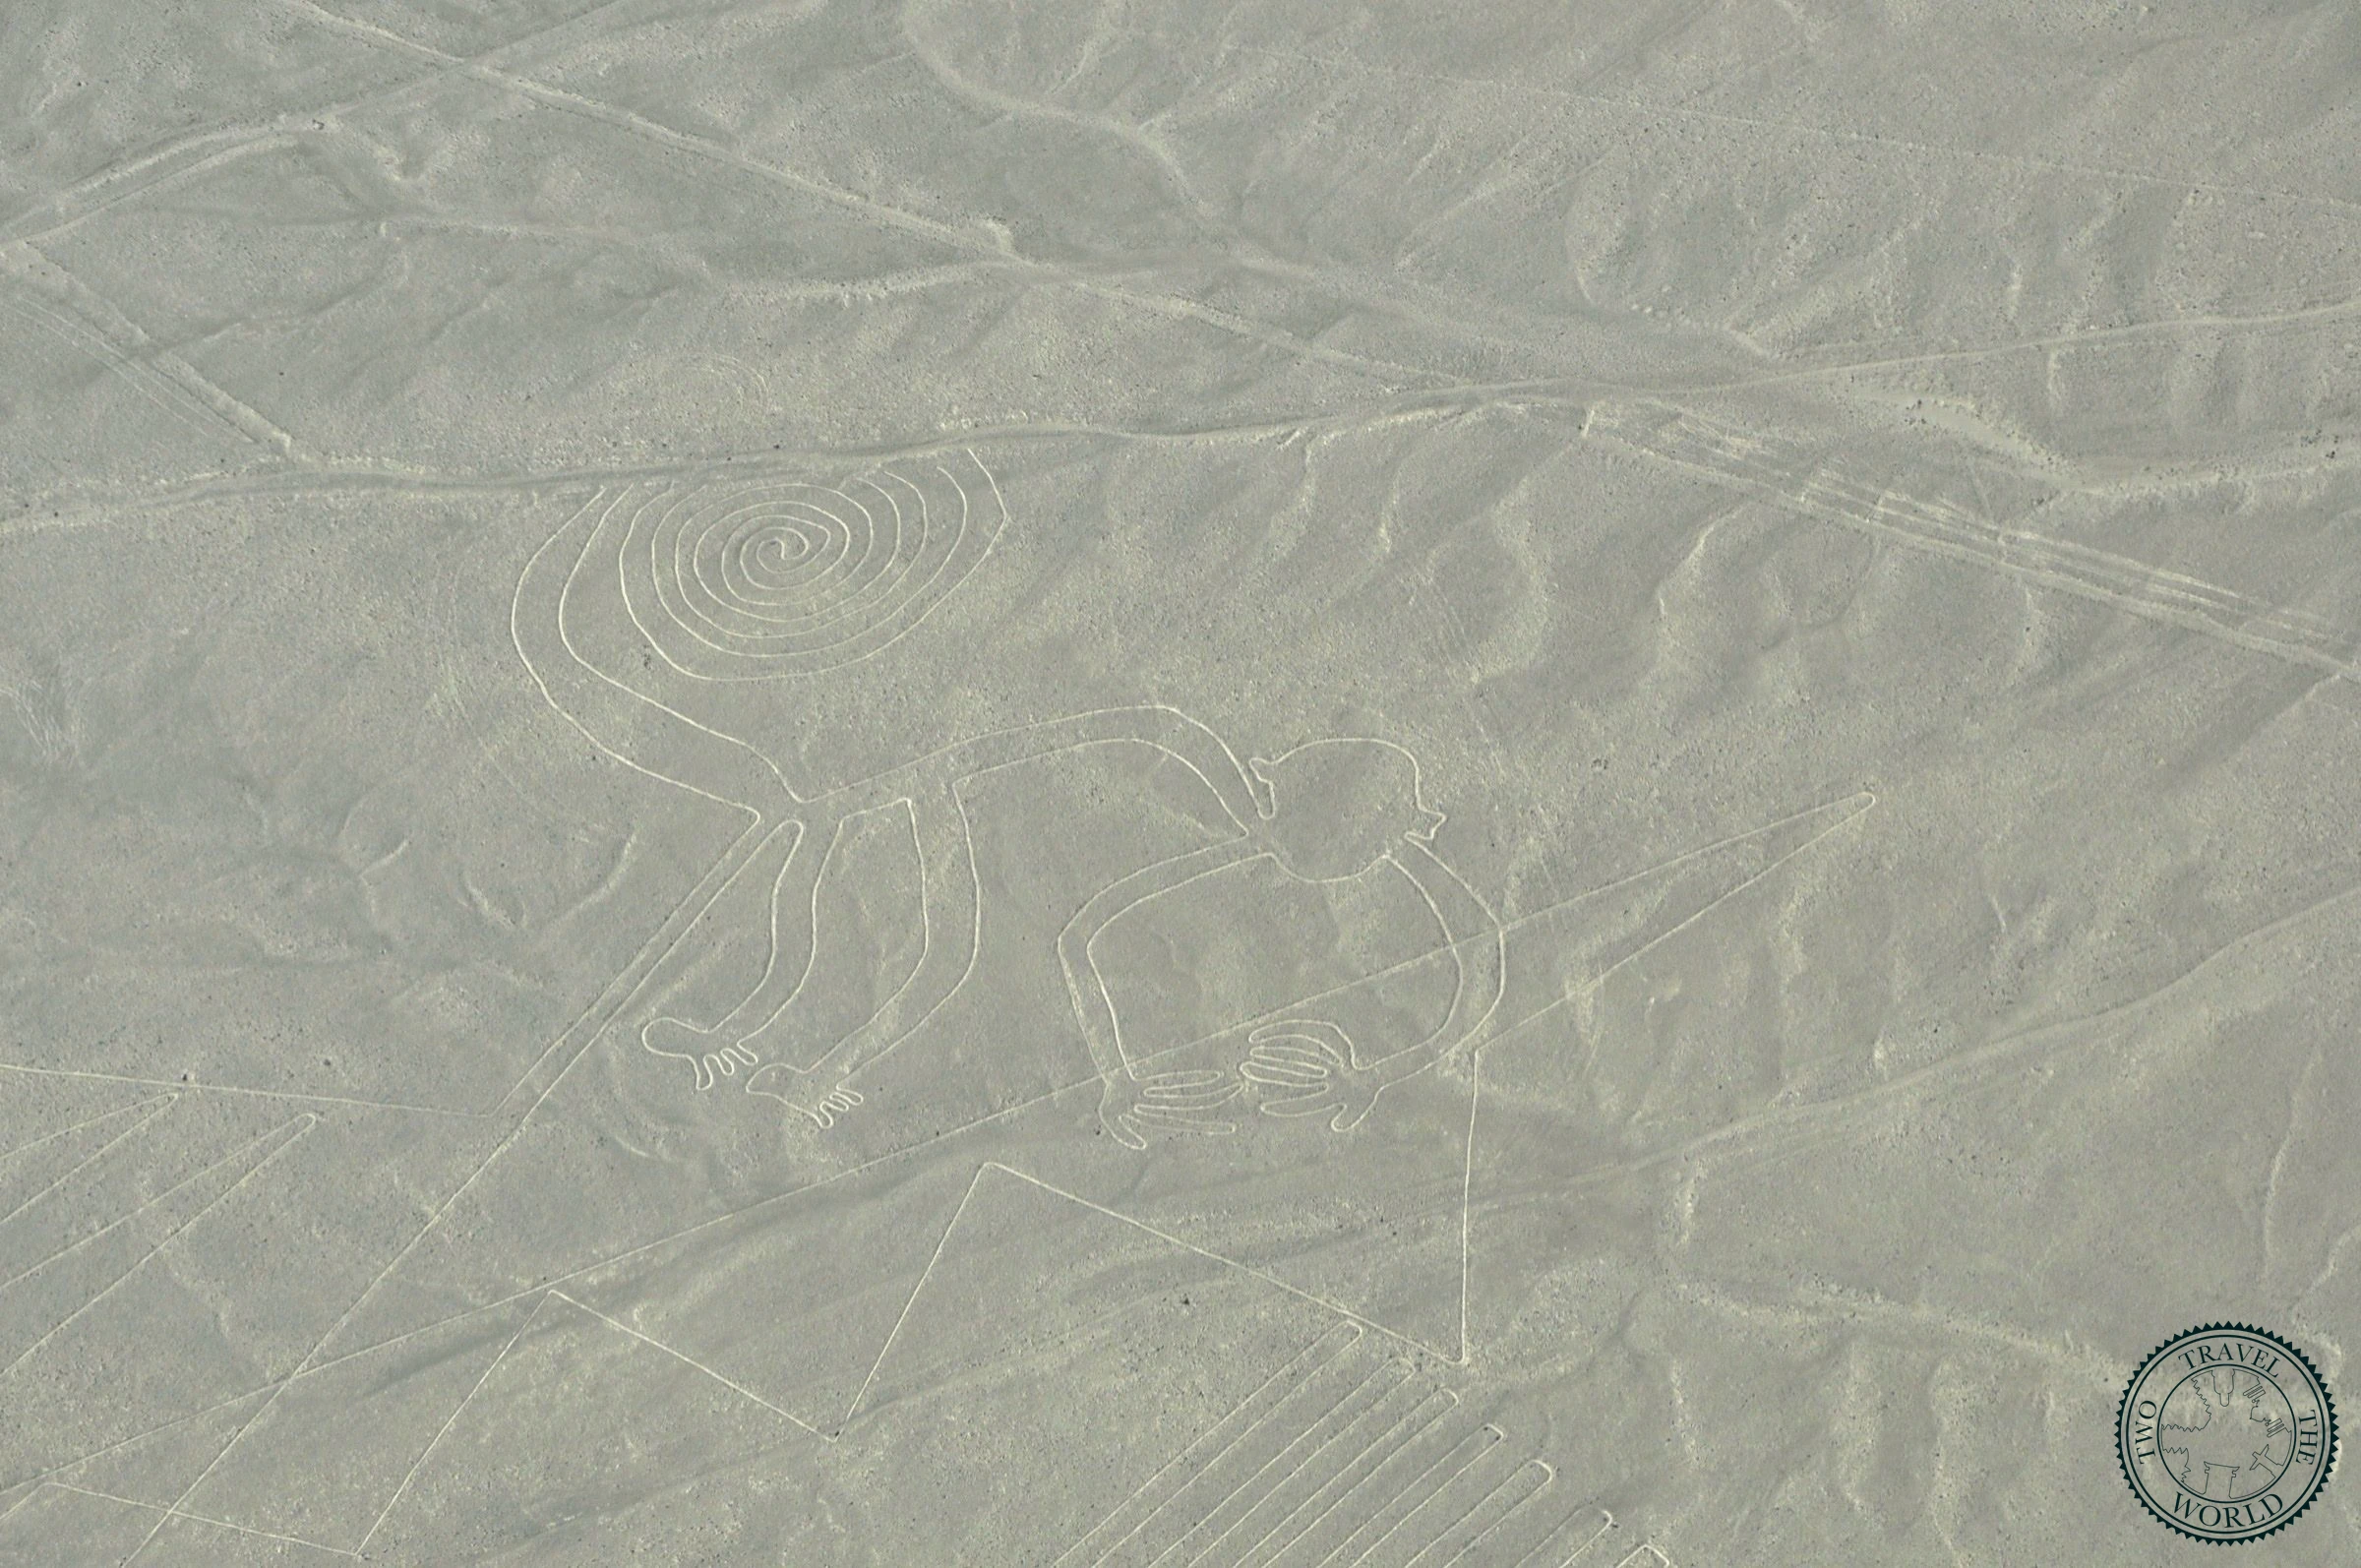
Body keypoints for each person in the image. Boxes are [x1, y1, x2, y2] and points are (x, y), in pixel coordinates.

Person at [515, 490, 1503, 1139]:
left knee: (906, 919)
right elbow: (1149, 734)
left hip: (943, 764)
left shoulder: (1265, 817)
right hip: (928, 740)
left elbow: (1089, 932)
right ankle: (756, 1038)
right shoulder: (1242, 793)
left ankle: (794, 1055)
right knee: (840, 870)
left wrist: (1373, 1069)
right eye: (1317, 851)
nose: (1294, 867)